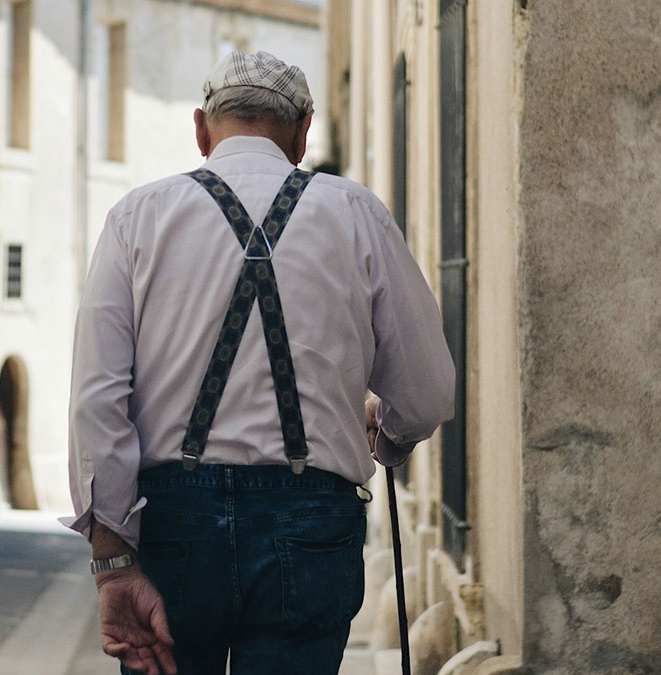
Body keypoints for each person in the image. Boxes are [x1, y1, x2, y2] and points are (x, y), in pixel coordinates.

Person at [63, 50, 455, 675]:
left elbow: (97, 400)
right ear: (303, 132)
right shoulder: (355, 212)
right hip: (310, 522)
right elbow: (428, 391)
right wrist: (391, 435)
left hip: (174, 525)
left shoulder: (137, 217)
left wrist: (112, 562)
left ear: (201, 129)